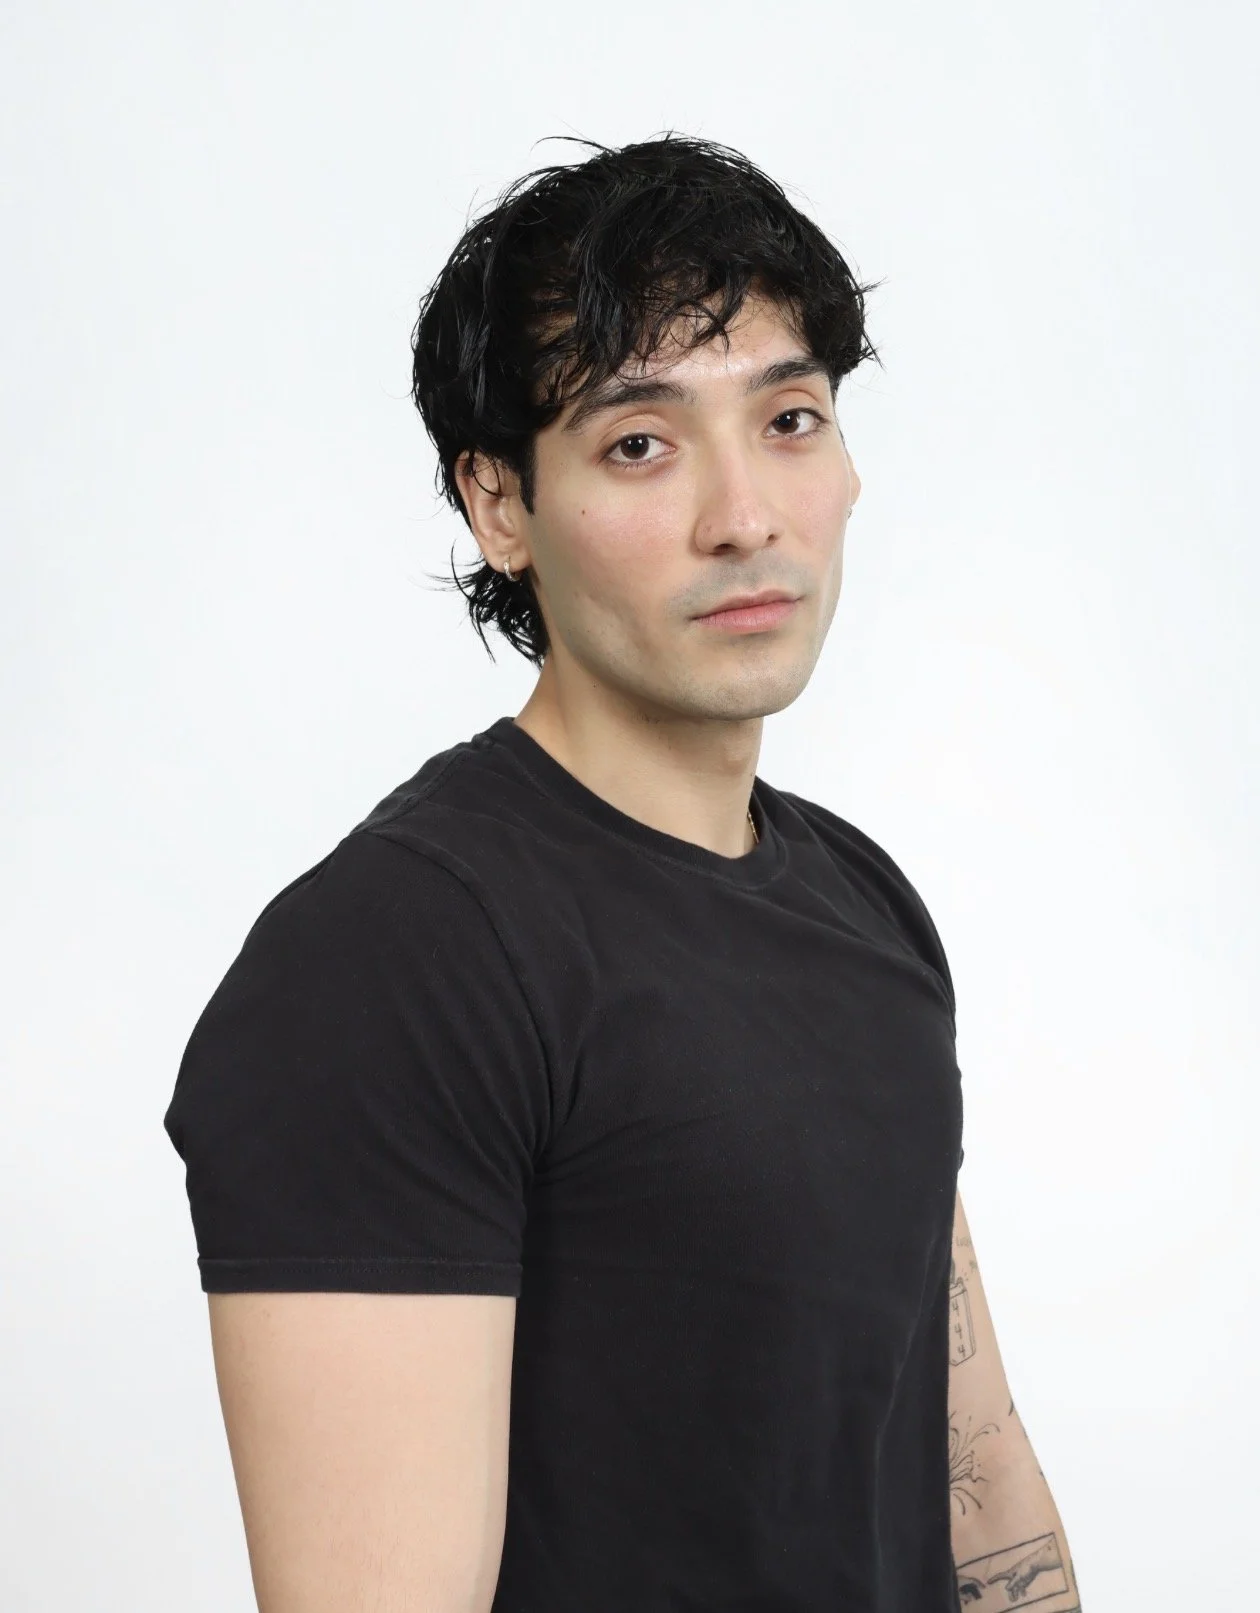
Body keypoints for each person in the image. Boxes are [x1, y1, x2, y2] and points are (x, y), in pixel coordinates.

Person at [163, 134, 1082, 1613]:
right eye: (640, 443)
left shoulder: (867, 906)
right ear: (500, 506)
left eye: (789, 418)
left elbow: (975, 1472)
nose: (744, 516)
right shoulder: (391, 966)